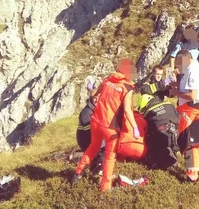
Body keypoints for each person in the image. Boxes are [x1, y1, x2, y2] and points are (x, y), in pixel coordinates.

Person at [71, 58, 137, 192]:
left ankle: (77, 173)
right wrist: (135, 127)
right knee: (110, 156)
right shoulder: (127, 88)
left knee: (92, 148)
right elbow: (128, 110)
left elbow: (94, 93)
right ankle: (105, 187)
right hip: (110, 127)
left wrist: (91, 88)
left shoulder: (108, 79)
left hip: (96, 121)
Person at [171, 49, 199, 182]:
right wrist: (176, 85)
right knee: (194, 142)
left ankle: (191, 176)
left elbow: (191, 95)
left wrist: (176, 93)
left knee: (189, 143)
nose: (178, 67)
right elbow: (187, 88)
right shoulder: (194, 68)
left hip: (192, 111)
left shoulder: (193, 70)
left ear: (185, 60)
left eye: (179, 63)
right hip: (195, 108)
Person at [137, 93, 180, 170]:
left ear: (146, 105)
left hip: (162, 136)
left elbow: (148, 131)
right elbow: (179, 117)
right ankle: (173, 153)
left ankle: (165, 162)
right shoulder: (169, 104)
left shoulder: (148, 112)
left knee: (151, 141)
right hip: (177, 134)